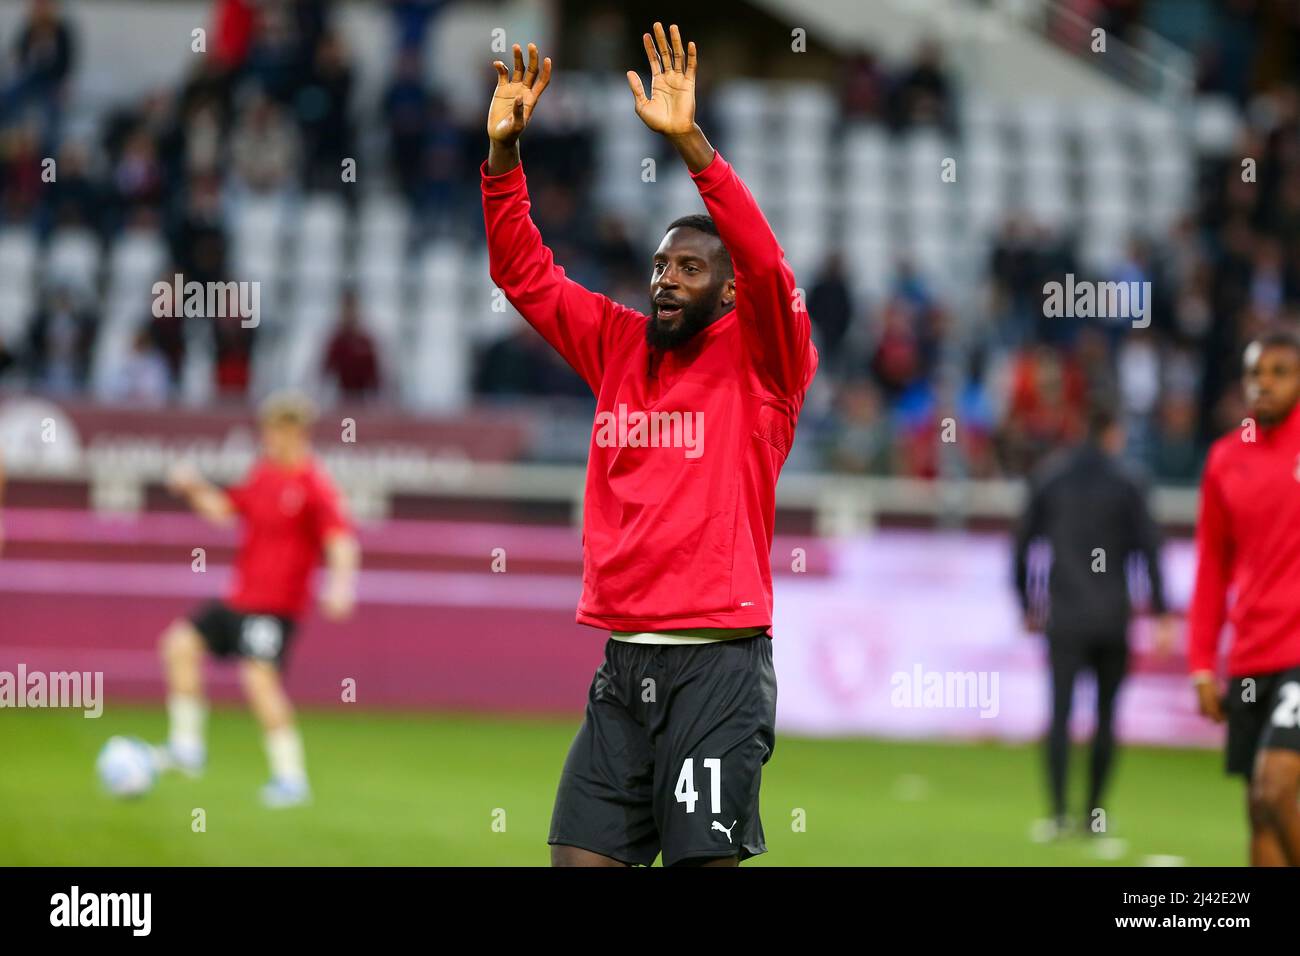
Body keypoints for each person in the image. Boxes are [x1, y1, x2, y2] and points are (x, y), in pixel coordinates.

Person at [481, 25, 817, 866]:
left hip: (718, 667)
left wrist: (693, 146)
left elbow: (771, 271)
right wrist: (502, 157)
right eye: (662, 265)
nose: (666, 278)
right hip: (623, 665)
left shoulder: (765, 358)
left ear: (728, 289)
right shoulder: (618, 343)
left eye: (691, 269)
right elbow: (524, 275)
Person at [156, 391, 360, 807]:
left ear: (297, 431)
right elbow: (222, 511)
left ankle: (291, 778)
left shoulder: (313, 484)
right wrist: (194, 486)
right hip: (239, 598)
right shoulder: (264, 474)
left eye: (282, 428)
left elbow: (341, 540)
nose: (272, 436)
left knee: (258, 680)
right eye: (269, 427)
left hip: (274, 606)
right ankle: (186, 749)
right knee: (178, 645)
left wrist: (341, 586)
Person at [1014, 401, 1174, 839]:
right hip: (1110, 617)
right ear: (1113, 432)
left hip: (1063, 616)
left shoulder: (1051, 477)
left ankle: (1058, 814)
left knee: (1060, 714)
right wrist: (1161, 610)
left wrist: (1026, 601)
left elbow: (1022, 544)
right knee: (1106, 717)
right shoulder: (1128, 482)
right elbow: (1150, 548)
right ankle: (1095, 815)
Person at [1189, 328, 1300, 866]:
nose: (1266, 384)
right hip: (1252, 654)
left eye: (1280, 372)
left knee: (1278, 787)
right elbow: (1211, 567)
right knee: (1259, 809)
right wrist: (1202, 666)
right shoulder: (1225, 459)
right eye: (1257, 372)